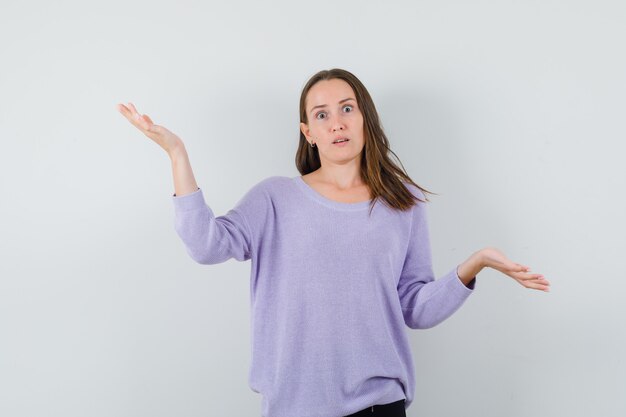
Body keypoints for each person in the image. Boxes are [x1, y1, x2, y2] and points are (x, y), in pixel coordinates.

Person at [117, 68, 550, 417]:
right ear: (308, 132)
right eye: (321, 114)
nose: (337, 122)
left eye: (347, 108)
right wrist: (177, 154)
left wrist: (475, 264)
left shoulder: (405, 203)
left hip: (379, 404)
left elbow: (414, 307)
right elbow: (206, 245)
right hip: (294, 406)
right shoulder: (274, 198)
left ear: (365, 119)